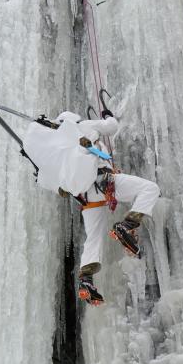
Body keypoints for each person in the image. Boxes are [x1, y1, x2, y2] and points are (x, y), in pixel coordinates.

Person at [23, 108, 160, 305]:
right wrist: (107, 115)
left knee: (93, 238)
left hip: (86, 196)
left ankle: (86, 281)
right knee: (150, 189)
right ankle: (127, 225)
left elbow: (55, 182)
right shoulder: (82, 126)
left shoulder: (60, 147)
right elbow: (112, 127)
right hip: (105, 182)